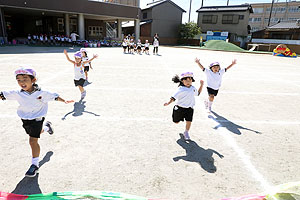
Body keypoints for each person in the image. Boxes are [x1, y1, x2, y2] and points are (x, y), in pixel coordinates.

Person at [0, 67, 73, 177]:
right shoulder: (17, 93)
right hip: (25, 119)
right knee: (35, 134)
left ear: (33, 80)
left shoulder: (42, 93)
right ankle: (47, 127)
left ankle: (34, 165)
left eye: (25, 79)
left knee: (33, 141)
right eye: (19, 80)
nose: (22, 82)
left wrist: (65, 101)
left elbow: (54, 96)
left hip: (38, 118)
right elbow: (2, 95)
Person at [164, 72, 204, 140]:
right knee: (176, 122)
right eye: (186, 80)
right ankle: (177, 118)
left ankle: (186, 132)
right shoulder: (180, 89)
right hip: (179, 108)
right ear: (182, 81)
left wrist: (201, 85)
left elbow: (198, 93)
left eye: (190, 80)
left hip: (189, 108)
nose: (188, 82)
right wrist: (168, 102)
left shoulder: (193, 88)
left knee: (189, 121)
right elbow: (173, 97)